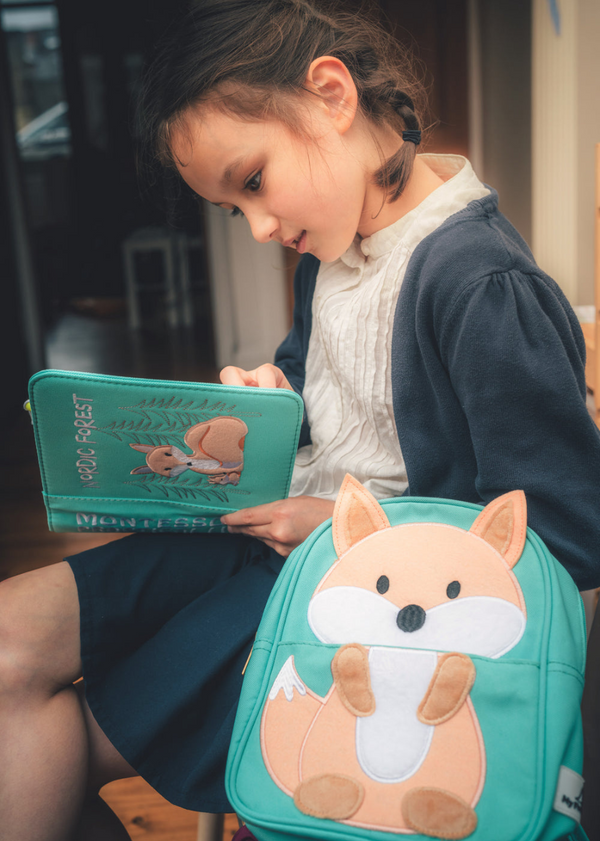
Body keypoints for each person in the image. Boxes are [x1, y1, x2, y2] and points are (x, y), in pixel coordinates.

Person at [2, 0, 600, 838]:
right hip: (264, 539)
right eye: (233, 208)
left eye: (252, 182)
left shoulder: (479, 285)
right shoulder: (332, 249)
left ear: (331, 94)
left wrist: (348, 530)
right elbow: (328, 398)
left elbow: (568, 534)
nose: (258, 228)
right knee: (10, 635)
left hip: (356, 602)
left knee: (54, 722)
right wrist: (272, 401)